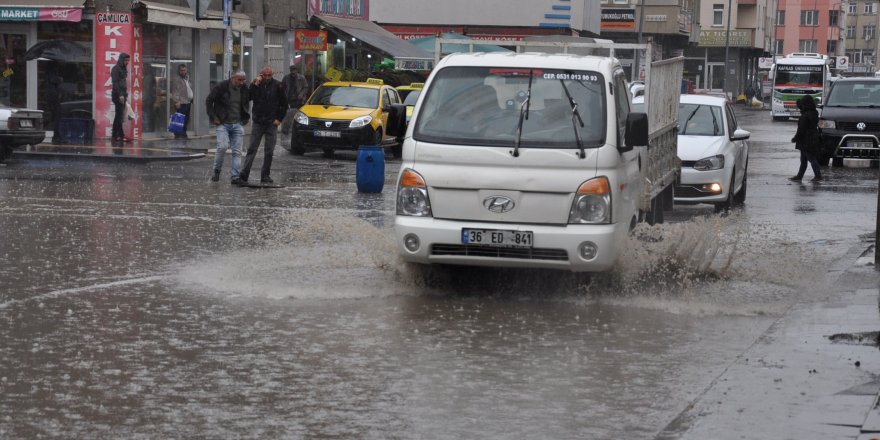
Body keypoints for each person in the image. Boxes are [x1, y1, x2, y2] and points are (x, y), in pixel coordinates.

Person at [241, 66, 287, 184]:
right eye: (265, 75)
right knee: (252, 148)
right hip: (258, 122)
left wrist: (279, 119)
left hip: (271, 123)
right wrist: (254, 84)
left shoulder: (278, 85)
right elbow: (248, 97)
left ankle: (265, 175)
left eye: (269, 75)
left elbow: (284, 104)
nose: (267, 77)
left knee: (269, 150)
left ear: (272, 75)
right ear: (261, 75)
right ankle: (244, 174)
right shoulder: (257, 85)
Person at [206, 71, 250, 184]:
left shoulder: (244, 88)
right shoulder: (222, 87)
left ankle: (235, 177)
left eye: (243, 80)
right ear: (233, 78)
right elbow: (209, 100)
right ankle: (216, 171)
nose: (241, 82)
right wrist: (213, 117)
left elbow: (251, 97)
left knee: (237, 152)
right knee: (223, 147)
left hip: (237, 123)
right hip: (223, 123)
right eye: (239, 80)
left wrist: (255, 83)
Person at [789, 94, 823, 182]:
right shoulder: (814, 112)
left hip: (806, 140)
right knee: (804, 159)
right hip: (811, 138)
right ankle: (799, 176)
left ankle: (818, 176)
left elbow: (801, 129)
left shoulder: (806, 115)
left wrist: (795, 138)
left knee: (811, 158)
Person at [170, 63, 194, 139]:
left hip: (187, 101)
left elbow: (189, 89)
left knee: (186, 119)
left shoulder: (187, 79)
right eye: (181, 70)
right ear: (179, 71)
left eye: (184, 70)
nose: (183, 72)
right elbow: (175, 91)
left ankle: (183, 133)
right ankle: (178, 134)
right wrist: (176, 101)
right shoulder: (177, 79)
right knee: (179, 119)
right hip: (181, 102)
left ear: (186, 70)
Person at [110, 53, 130, 142]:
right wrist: (120, 95)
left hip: (122, 94)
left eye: (128, 60)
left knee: (119, 115)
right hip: (118, 95)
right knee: (119, 115)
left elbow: (122, 83)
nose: (127, 62)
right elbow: (115, 83)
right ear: (121, 60)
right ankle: (117, 135)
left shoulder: (122, 68)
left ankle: (117, 135)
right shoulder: (116, 69)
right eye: (126, 60)